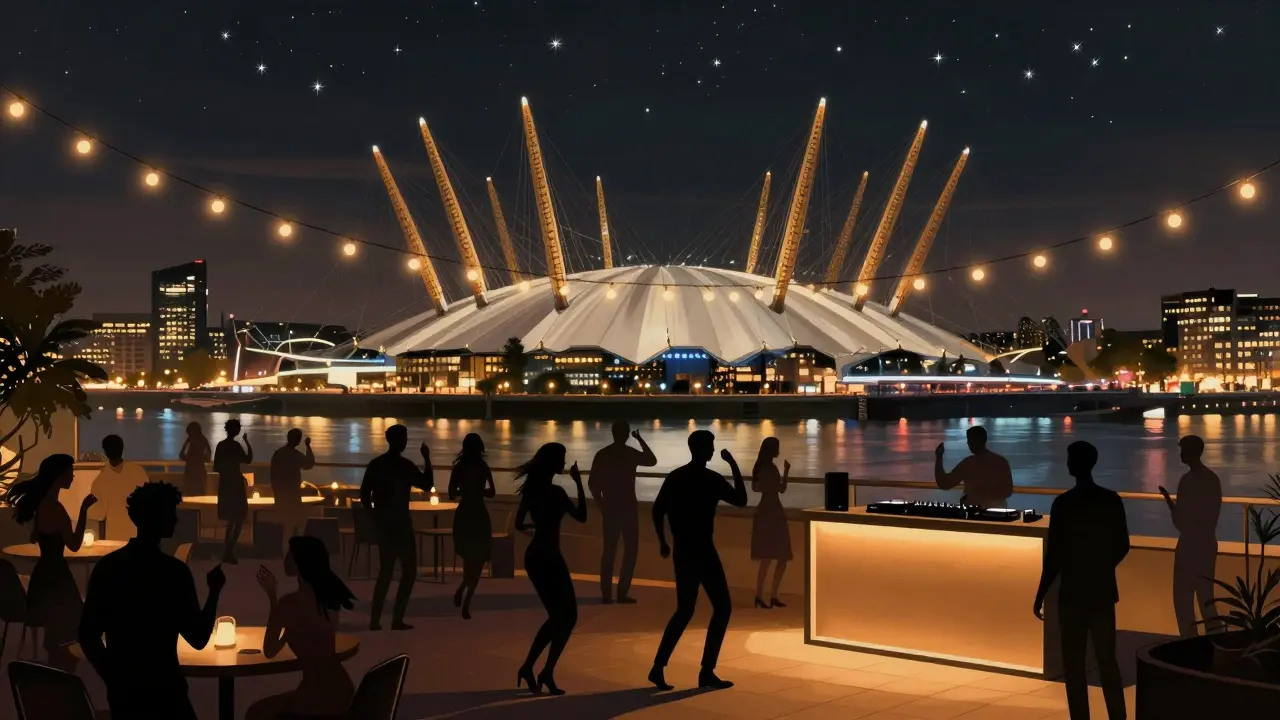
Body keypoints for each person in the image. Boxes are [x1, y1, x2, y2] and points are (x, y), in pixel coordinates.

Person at [79, 482, 227, 719]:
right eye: (171, 513)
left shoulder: (108, 567)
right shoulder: (173, 573)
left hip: (124, 698)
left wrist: (114, 677)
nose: (176, 520)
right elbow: (198, 638)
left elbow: (88, 636)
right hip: (167, 692)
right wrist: (214, 592)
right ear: (161, 518)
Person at [1033, 441, 1129, 720]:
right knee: (1107, 660)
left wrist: (1041, 592)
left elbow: (1054, 555)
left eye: (1069, 459)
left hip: (1072, 592)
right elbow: (1122, 544)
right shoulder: (1111, 499)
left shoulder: (1063, 504)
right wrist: (1102, 566)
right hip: (1102, 590)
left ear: (1075, 464)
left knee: (1073, 664)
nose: (1067, 463)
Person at [649, 430, 747, 691]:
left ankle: (658, 666)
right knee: (722, 608)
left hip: (683, 551)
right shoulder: (711, 479)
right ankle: (706, 671)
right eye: (711, 446)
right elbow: (741, 500)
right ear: (702, 449)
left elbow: (657, 510)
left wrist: (663, 540)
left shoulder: (676, 477)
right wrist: (733, 465)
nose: (713, 450)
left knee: (684, 610)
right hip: (704, 550)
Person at [246, 536, 357, 720]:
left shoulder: (288, 604)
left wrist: (273, 599)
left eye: (291, 555)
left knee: (255, 713)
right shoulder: (328, 600)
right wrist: (289, 631)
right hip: (341, 693)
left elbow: (270, 650)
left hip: (316, 699)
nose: (286, 559)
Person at [6, 454, 96, 672]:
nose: (73, 476)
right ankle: (60, 676)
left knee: (56, 633)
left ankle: (56, 675)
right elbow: (74, 544)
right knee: (67, 631)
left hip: (44, 575)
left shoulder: (43, 505)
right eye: (70, 472)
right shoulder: (55, 507)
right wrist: (84, 510)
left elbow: (35, 537)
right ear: (59, 475)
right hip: (57, 577)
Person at [514, 443, 587, 696]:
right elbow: (582, 516)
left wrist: (539, 529)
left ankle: (536, 669)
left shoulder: (532, 491)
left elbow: (519, 523)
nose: (564, 463)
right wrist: (579, 483)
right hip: (549, 557)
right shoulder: (556, 493)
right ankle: (539, 669)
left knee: (561, 616)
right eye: (562, 459)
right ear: (553, 463)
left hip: (536, 555)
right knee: (565, 616)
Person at [360, 424, 432, 630]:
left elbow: (364, 495)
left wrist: (374, 516)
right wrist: (427, 459)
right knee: (408, 571)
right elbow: (427, 484)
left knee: (386, 572)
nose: (405, 442)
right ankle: (396, 618)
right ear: (400, 441)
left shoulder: (376, 464)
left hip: (385, 525)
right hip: (401, 524)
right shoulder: (405, 466)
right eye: (404, 438)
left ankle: (375, 619)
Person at [588, 421, 657, 604]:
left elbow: (593, 483)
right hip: (628, 508)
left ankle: (607, 594)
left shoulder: (603, 454)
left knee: (609, 552)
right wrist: (640, 439)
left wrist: (601, 504)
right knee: (630, 551)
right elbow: (652, 460)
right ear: (626, 434)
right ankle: (621, 592)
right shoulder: (630, 454)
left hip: (611, 508)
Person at [1160, 434, 1222, 637]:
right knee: (1206, 599)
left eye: (1183, 450)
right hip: (1207, 543)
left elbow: (1181, 522)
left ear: (1190, 452)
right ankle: (1216, 642)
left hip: (1188, 545)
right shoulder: (1212, 479)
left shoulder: (1187, 481)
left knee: (1183, 599)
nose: (1180, 454)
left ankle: (1189, 642)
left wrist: (1169, 503)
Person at [449, 433, 496, 620]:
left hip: (464, 515)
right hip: (479, 515)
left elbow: (451, 493)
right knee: (478, 560)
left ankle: (463, 591)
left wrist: (464, 490)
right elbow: (492, 492)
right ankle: (466, 599)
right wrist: (479, 491)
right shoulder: (483, 467)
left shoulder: (458, 468)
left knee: (469, 559)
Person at [750, 437, 791, 609]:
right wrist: (786, 472)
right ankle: (770, 593)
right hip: (773, 509)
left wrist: (783, 474)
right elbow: (781, 489)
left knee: (769, 556)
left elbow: (757, 488)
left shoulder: (761, 467)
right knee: (779, 555)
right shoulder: (769, 468)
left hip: (766, 509)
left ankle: (762, 594)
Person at [89, 434, 151, 541]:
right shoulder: (139, 472)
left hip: (114, 535)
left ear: (105, 452)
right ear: (122, 448)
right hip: (138, 534)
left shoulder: (100, 481)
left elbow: (97, 514)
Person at [934, 425, 1013, 508]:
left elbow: (945, 484)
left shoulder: (968, 463)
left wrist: (939, 457)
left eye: (969, 440)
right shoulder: (1001, 462)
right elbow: (1008, 491)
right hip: (997, 510)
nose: (967, 443)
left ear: (974, 441)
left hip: (974, 510)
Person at [270, 429, 316, 554]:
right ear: (297, 440)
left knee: (287, 527)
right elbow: (309, 464)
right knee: (299, 523)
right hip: (293, 496)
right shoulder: (295, 455)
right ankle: (296, 552)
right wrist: (308, 446)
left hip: (281, 496)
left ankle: (286, 553)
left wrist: (276, 495)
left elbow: (273, 476)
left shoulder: (278, 454)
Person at [213, 419, 252, 564]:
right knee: (238, 519)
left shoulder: (221, 445)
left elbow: (216, 467)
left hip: (225, 484)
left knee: (230, 520)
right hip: (235, 484)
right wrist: (247, 443)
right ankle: (229, 551)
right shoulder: (236, 446)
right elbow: (248, 459)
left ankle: (227, 551)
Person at [178, 421, 212, 497]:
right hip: (200, 471)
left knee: (190, 493)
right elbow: (208, 458)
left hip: (190, 472)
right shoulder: (203, 440)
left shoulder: (190, 441)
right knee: (200, 494)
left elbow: (181, 455)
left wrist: (189, 458)